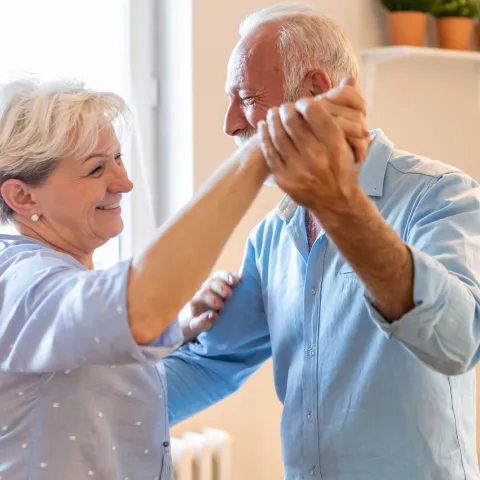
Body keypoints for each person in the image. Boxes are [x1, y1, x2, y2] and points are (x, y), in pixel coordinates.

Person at [164, 4, 480, 480]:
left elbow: (458, 341)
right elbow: (214, 363)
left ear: (317, 89)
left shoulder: (439, 194)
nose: (230, 124)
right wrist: (80, 406)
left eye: (246, 97)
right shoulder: (273, 235)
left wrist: (340, 208)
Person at [0, 74, 368, 479]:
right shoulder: (20, 281)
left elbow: (125, 396)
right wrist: (262, 151)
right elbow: (137, 309)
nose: (124, 183)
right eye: (95, 169)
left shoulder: (64, 286)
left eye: (118, 158)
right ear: (22, 196)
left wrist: (186, 328)